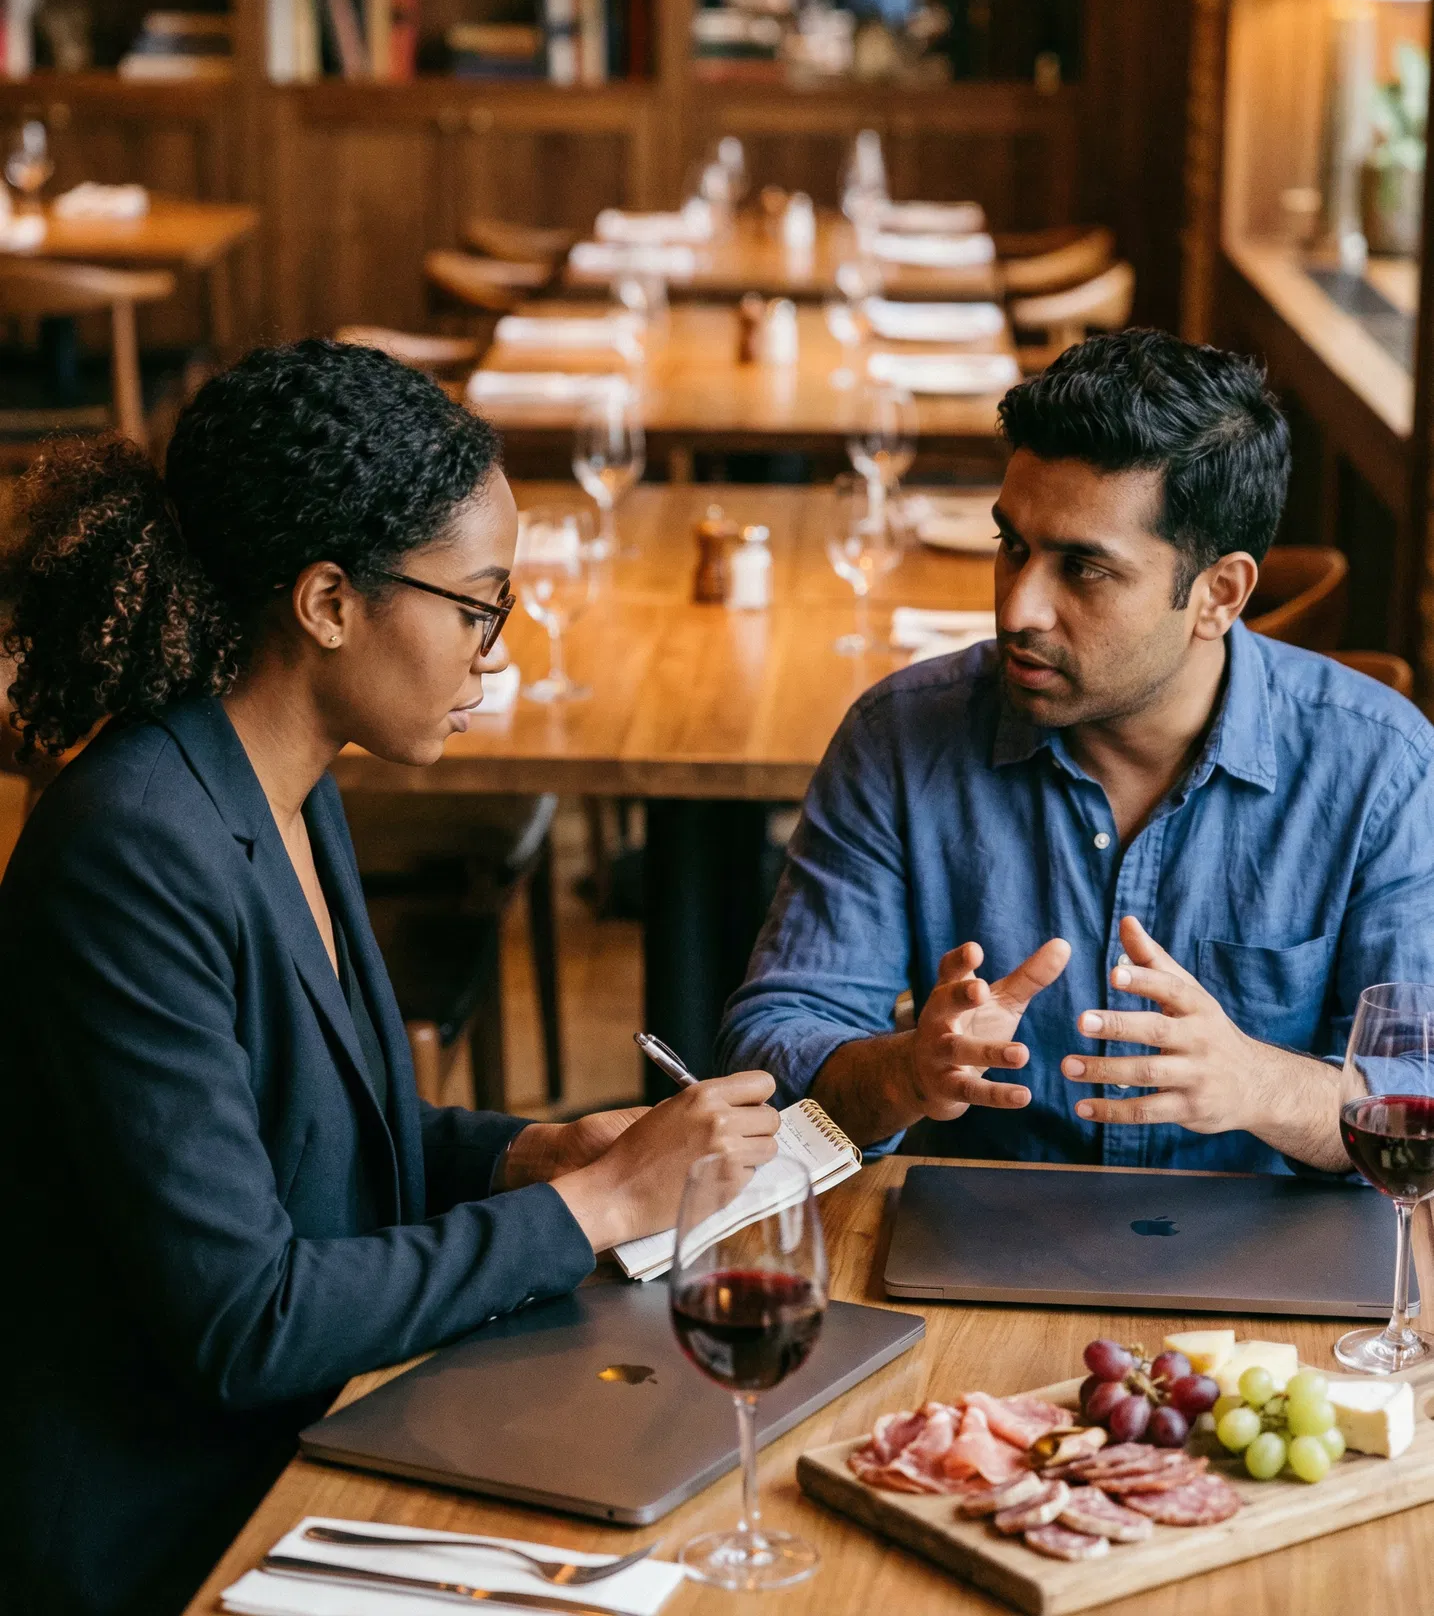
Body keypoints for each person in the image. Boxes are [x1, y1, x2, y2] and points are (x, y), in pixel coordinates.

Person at [0, 340, 780, 1616]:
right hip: (170, 1524)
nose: (493, 650)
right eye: (479, 606)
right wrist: (592, 1211)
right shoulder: (130, 846)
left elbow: (307, 1132)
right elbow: (245, 1319)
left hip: (310, 1434)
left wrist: (531, 1155)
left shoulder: (284, 790)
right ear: (326, 604)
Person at [718, 329, 1434, 1174]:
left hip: (1273, 1283)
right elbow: (770, 1045)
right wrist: (907, 1070)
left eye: (1084, 570)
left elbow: (1420, 1093)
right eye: (1012, 544)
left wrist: (1258, 1083)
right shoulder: (899, 738)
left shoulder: (1381, 765)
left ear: (1219, 594)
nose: (1019, 606)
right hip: (977, 1253)